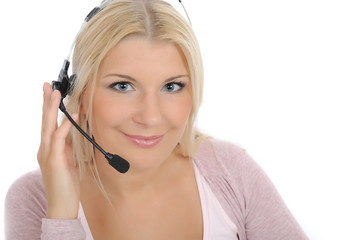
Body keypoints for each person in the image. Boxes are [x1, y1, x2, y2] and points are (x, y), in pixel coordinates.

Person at [5, 0, 308, 239]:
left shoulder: (229, 171)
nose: (150, 117)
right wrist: (60, 217)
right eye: (123, 86)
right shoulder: (34, 198)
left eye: (172, 86)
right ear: (79, 95)